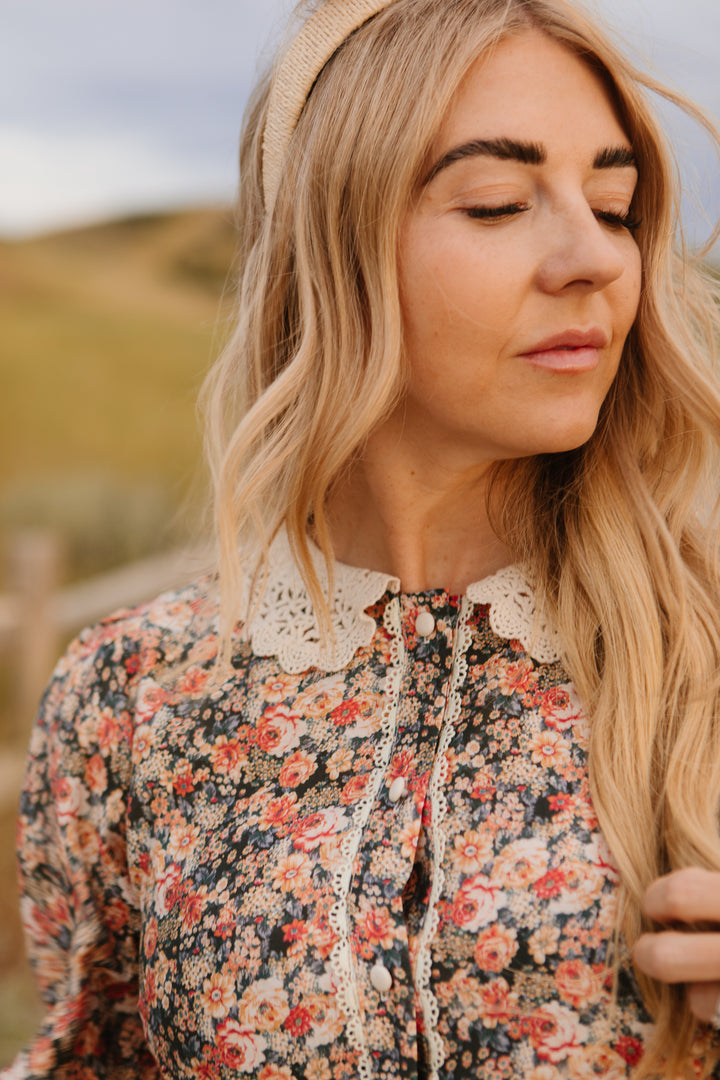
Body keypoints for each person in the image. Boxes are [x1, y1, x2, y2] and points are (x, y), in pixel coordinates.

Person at [4, 0, 720, 1076]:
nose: (595, 258)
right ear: (323, 245)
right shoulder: (132, 696)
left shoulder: (705, 656)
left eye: (614, 205)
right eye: (496, 204)